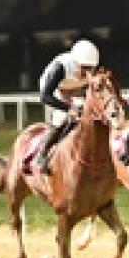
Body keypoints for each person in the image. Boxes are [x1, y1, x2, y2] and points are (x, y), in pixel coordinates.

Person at [34, 39, 100, 173]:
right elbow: (45, 96)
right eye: (83, 67)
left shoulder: (92, 66)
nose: (87, 72)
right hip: (55, 89)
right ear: (76, 62)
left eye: (90, 68)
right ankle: (42, 153)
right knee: (63, 117)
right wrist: (68, 108)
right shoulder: (60, 67)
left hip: (75, 88)